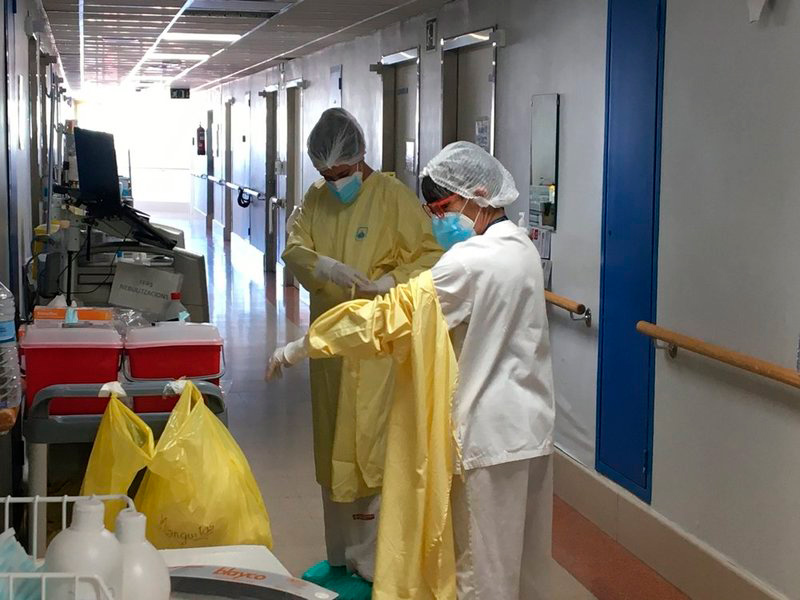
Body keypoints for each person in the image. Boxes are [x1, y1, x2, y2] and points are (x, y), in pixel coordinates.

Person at [271, 141, 555, 599]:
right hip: (530, 429)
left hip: (487, 436)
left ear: (479, 194)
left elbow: (387, 319)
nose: (438, 221)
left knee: (479, 574)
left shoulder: (470, 262)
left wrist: (306, 344)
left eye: (443, 208)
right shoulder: (519, 246)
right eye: (432, 211)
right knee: (520, 566)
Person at [279, 107, 442, 584]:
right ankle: (339, 555)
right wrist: (324, 267)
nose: (335, 182)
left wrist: (391, 280)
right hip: (331, 347)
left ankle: (374, 565)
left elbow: (430, 258)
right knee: (333, 447)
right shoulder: (315, 198)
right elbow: (294, 248)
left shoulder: (393, 197)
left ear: (360, 157)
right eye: (327, 175)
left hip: (378, 349)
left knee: (373, 449)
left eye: (342, 172)